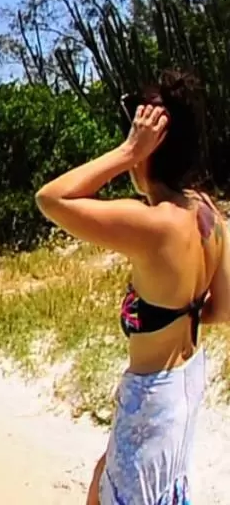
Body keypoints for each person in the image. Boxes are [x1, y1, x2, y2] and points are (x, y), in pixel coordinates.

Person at [35, 70, 230, 505]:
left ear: (149, 148)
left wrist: (126, 152)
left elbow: (51, 199)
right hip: (186, 385)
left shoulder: (153, 224)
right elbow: (224, 309)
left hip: (152, 400)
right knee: (109, 477)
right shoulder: (207, 214)